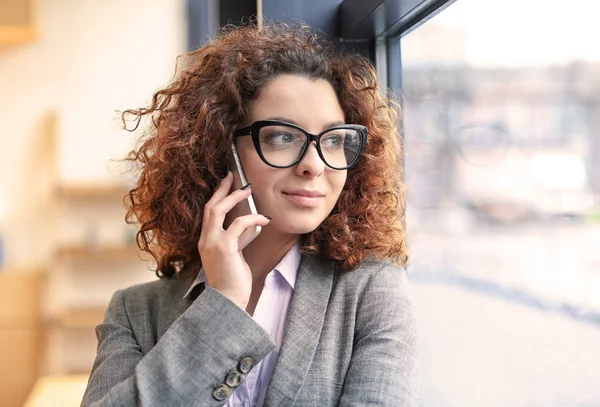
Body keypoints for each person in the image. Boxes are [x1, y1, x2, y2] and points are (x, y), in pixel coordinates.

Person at [81, 22, 418, 407]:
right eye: (282, 136)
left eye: (334, 139)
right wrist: (222, 305)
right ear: (219, 150)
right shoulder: (136, 311)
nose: (314, 165)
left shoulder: (372, 294)